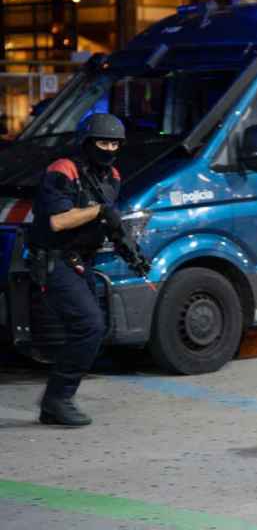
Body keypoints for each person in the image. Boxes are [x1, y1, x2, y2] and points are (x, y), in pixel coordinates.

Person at [30, 113, 127, 427]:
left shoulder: (111, 176)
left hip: (82, 260)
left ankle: (56, 401)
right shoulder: (63, 170)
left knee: (92, 328)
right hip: (55, 259)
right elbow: (57, 221)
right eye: (102, 141)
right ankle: (57, 400)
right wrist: (100, 211)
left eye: (114, 143)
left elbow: (103, 219)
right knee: (89, 326)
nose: (109, 148)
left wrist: (122, 239)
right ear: (87, 142)